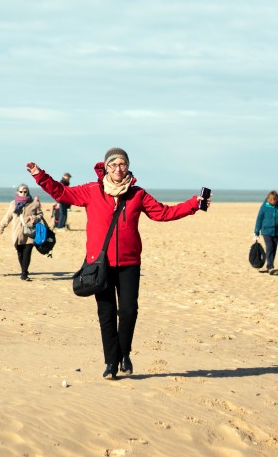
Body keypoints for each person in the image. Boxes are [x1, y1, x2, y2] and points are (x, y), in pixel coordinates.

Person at [26, 147, 211, 379]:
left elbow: (163, 213)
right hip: (98, 264)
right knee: (106, 313)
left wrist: (194, 203)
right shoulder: (92, 191)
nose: (117, 168)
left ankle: (124, 354)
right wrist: (40, 175)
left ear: (128, 167)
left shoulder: (137, 194)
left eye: (122, 164)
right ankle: (111, 363)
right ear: (106, 167)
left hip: (129, 263)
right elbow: (62, 193)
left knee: (129, 311)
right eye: (113, 164)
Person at [0, 184, 43, 281]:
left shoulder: (34, 203)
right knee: (20, 253)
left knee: (27, 252)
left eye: (25, 191)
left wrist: (34, 218)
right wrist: (0, 227)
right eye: (21, 191)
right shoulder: (13, 204)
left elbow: (40, 215)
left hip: (30, 232)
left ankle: (24, 273)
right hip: (17, 233)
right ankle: (23, 270)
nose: (23, 193)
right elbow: (8, 217)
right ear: (17, 192)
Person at [254, 191, 278, 274]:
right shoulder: (264, 207)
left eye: (276, 199)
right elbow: (259, 219)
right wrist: (256, 232)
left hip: (277, 231)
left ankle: (270, 265)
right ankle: (270, 266)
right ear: (269, 199)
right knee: (270, 247)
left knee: (274, 249)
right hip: (266, 231)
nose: (275, 201)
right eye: (273, 200)